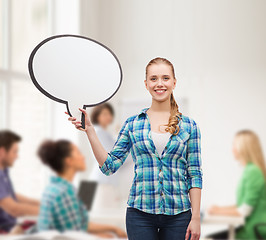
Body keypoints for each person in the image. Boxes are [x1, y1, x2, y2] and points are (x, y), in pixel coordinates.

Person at [66, 57, 203, 240]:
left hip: (179, 216)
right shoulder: (132, 124)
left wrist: (195, 217)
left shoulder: (189, 126)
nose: (159, 83)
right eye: (153, 79)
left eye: (165, 78)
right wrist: (90, 130)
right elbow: (109, 166)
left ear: (174, 83)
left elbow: (194, 173)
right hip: (140, 215)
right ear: (146, 84)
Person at [37, 139, 127, 239]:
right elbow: (73, 234)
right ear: (69, 161)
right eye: (78, 153)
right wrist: (102, 236)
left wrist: (112, 229)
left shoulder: (55, 188)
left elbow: (78, 225)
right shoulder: (64, 192)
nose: (83, 157)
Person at [207, 129, 266, 239]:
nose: (232, 149)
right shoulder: (249, 170)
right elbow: (242, 204)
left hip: (254, 231)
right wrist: (219, 209)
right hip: (249, 228)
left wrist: (218, 211)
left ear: (243, 148)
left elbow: (244, 210)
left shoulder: (253, 171)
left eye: (235, 145)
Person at [0, 130, 40, 234]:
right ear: (2, 152)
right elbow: (13, 209)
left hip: (12, 226)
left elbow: (11, 196)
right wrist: (49, 211)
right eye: (14, 151)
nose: (17, 156)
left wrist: (43, 203)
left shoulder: (3, 171)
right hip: (5, 231)